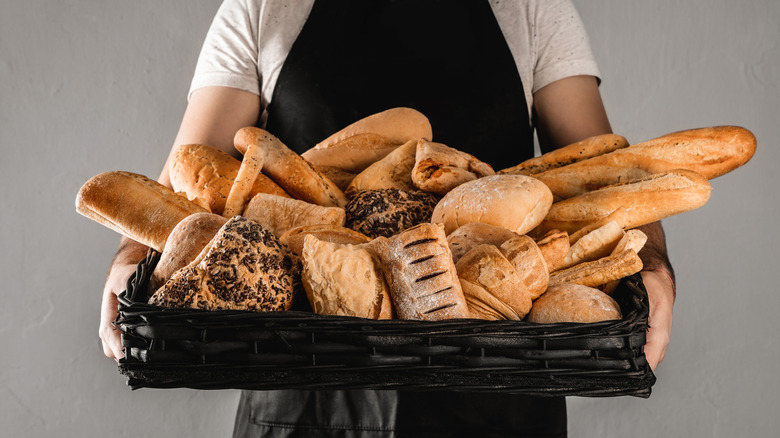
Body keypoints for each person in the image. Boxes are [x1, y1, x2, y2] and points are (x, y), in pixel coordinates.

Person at [100, 0, 676, 436]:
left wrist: (651, 263)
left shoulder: (528, 6)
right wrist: (131, 259)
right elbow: (189, 176)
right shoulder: (264, 6)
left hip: (496, 386)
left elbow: (604, 167)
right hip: (305, 395)